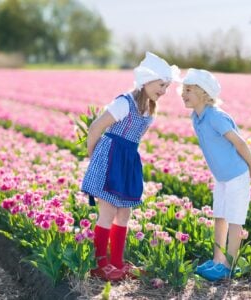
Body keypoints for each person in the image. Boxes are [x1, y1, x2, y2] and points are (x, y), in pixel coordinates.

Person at [81, 52, 179, 282]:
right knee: (107, 212)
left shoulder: (150, 109)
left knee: (124, 213)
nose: (163, 90)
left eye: (167, 86)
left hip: (128, 160)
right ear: (146, 80)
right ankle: (99, 264)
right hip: (111, 156)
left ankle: (117, 262)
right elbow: (96, 127)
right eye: (161, 84)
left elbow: (135, 140)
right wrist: (95, 157)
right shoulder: (124, 102)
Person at [180, 68, 251, 281]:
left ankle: (229, 266)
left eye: (188, 89)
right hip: (221, 177)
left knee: (234, 219)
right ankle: (217, 260)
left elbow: (239, 141)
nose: (183, 93)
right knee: (220, 216)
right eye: (183, 89)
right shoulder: (196, 117)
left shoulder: (216, 116)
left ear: (204, 93)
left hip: (235, 175)